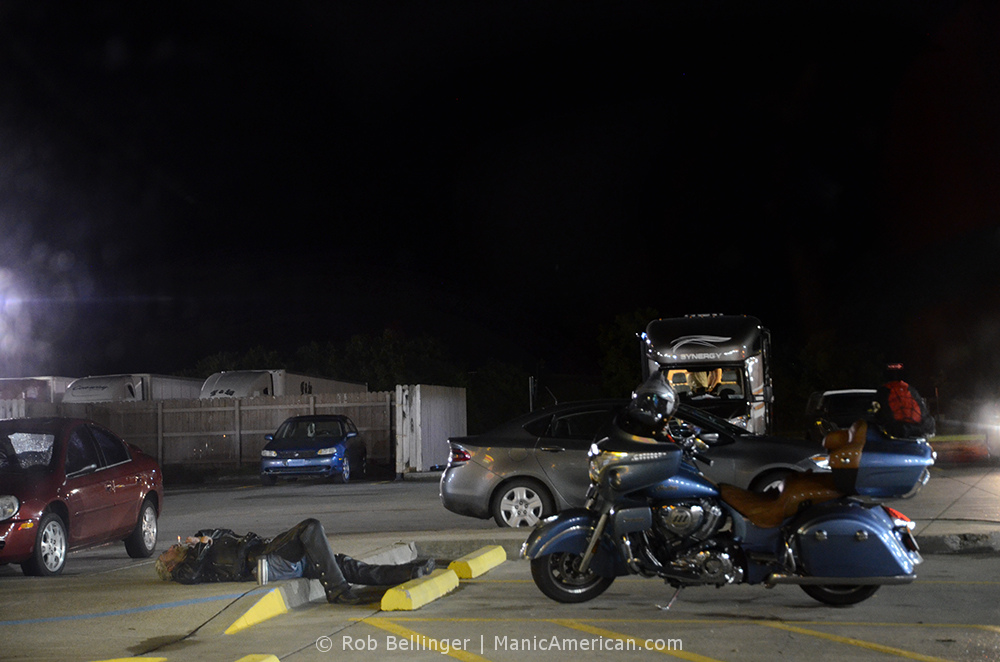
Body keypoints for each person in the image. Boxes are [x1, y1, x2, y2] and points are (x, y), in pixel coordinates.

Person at [154, 518, 435, 605]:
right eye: (167, 552)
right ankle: (337, 592)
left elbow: (223, 533)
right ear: (169, 566)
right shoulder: (186, 569)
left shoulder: (203, 544)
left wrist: (202, 538)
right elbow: (191, 575)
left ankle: (407, 572)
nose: (172, 547)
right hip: (264, 561)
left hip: (270, 551)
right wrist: (200, 547)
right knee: (310, 527)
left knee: (343, 564)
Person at [871, 363, 935, 438]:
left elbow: (878, 412)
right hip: (919, 427)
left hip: (898, 429)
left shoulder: (883, 390)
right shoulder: (910, 389)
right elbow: (922, 407)